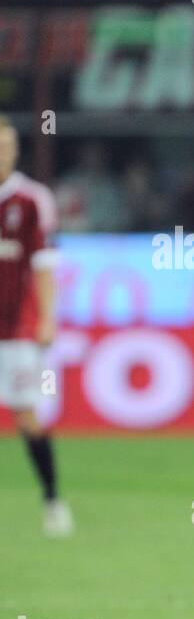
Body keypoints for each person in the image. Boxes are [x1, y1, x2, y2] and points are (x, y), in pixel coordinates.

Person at [0, 116, 72, 536]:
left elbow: (44, 265)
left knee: (27, 414)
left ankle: (52, 499)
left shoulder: (32, 199)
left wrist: (47, 316)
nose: (5, 151)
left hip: (16, 329)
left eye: (9, 144)